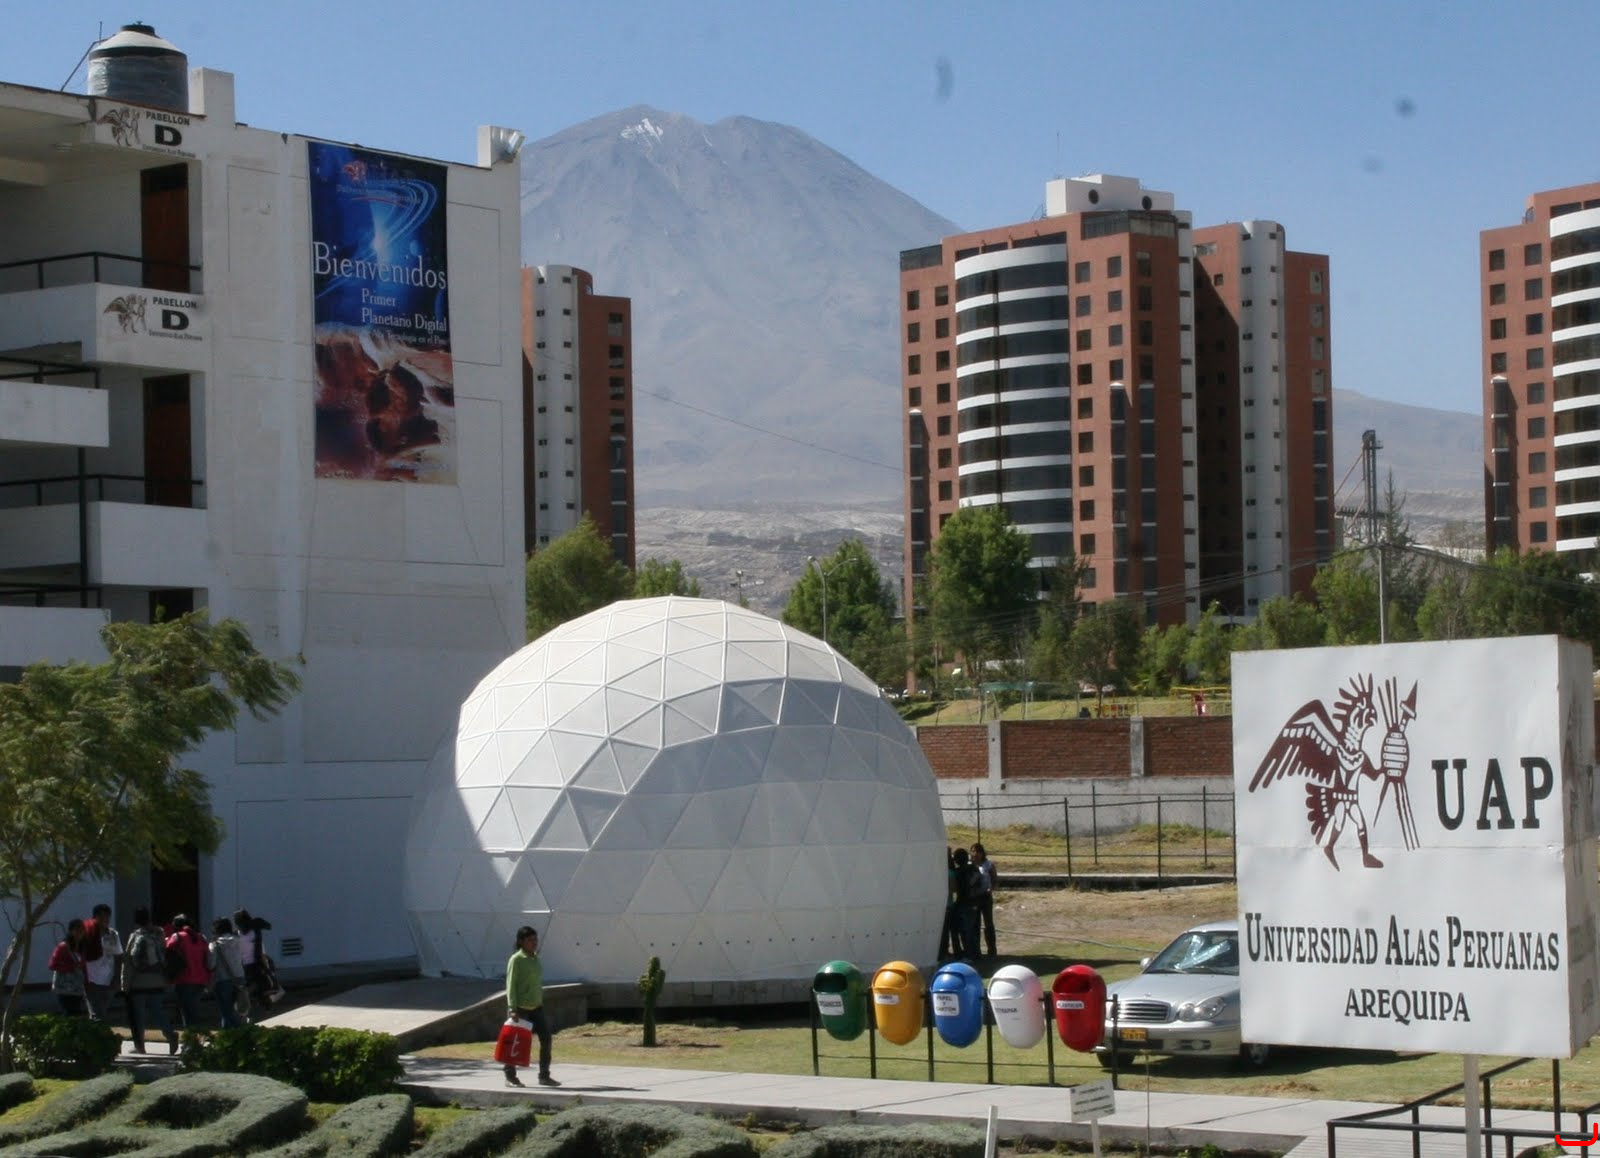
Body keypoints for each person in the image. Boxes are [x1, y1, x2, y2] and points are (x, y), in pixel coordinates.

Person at [504, 926, 557, 1088]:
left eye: (535, 939)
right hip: (520, 1009)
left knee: (546, 1039)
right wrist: (512, 1008)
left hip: (536, 1007)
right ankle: (510, 1076)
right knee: (515, 1043)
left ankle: (544, 1075)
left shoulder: (535, 959)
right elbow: (511, 985)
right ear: (521, 942)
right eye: (530, 940)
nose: (534, 943)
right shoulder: (516, 959)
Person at [123, 907, 179, 1054]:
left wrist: (125, 984)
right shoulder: (159, 934)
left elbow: (128, 961)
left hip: (138, 982)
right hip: (158, 980)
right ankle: (170, 1034)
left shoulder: (136, 936)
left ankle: (140, 1045)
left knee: (139, 1016)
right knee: (158, 1012)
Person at [166, 915, 212, 1030]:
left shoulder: (177, 937)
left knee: (187, 1012)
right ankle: (195, 1034)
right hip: (201, 979)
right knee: (193, 1010)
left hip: (184, 979)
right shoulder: (201, 937)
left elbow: (167, 951)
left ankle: (191, 1036)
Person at [82, 903, 123, 1021]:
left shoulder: (113, 934)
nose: (104, 919)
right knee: (95, 1014)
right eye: (101, 916)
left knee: (102, 1012)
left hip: (109, 980)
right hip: (91, 980)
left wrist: (117, 978)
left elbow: (119, 956)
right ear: (94, 917)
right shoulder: (86, 933)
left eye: (107, 916)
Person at [208, 917, 246, 1028]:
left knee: (226, 1011)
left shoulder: (215, 944)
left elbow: (211, 965)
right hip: (240, 978)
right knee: (238, 1009)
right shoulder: (239, 940)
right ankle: (240, 1030)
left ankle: (231, 1033)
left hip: (222, 980)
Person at [233, 908, 275, 1008]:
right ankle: (265, 1002)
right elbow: (269, 926)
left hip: (243, 965)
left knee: (249, 986)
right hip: (257, 963)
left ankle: (251, 1002)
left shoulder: (236, 934)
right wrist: (255, 922)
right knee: (264, 983)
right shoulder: (255, 929)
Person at [47, 919, 88, 1016]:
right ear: (70, 931)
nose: (80, 931)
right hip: (65, 989)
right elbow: (52, 965)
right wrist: (70, 967)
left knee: (77, 1014)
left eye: (82, 929)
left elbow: (83, 967)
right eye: (77, 929)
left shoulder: (81, 948)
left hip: (77, 988)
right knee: (69, 1014)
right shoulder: (63, 947)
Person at [949, 848, 981, 962]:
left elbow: (957, 888)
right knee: (972, 931)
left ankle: (969, 956)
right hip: (975, 902)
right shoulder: (974, 869)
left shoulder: (959, 872)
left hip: (964, 903)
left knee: (966, 931)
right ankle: (976, 954)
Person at [970, 843, 998, 958]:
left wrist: (991, 889)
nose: (975, 854)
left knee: (988, 923)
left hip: (986, 897)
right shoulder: (969, 865)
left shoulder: (988, 864)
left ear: (982, 853)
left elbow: (995, 879)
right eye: (973, 851)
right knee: (975, 924)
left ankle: (992, 950)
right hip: (974, 898)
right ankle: (976, 950)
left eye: (978, 851)